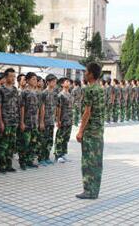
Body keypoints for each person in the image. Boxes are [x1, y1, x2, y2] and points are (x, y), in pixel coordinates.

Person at [76, 62, 104, 199]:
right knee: (97, 161)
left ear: (91, 74)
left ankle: (89, 190)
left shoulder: (89, 90)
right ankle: (95, 190)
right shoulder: (101, 89)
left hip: (90, 131)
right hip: (98, 131)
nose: (84, 74)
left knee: (88, 162)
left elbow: (87, 112)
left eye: (86, 72)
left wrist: (80, 131)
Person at [0, 68, 19, 173]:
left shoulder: (15, 90)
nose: (13, 78)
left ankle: (9, 164)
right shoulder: (1, 90)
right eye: (11, 76)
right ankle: (2, 165)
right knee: (3, 144)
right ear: (5, 77)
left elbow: (17, 105)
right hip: (5, 120)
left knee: (11, 144)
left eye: (14, 76)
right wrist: (0, 121)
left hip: (13, 120)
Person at [19, 72, 39, 170]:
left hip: (34, 122)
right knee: (25, 143)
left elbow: (38, 108)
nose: (35, 81)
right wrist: (22, 122)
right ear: (27, 80)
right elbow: (22, 107)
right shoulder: (24, 92)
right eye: (33, 79)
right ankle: (22, 161)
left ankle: (29, 160)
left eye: (36, 79)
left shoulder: (36, 92)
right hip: (26, 121)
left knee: (32, 142)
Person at [38, 74, 57, 166]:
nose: (54, 83)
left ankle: (47, 157)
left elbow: (56, 106)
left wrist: (56, 118)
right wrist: (41, 121)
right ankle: (41, 158)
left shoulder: (55, 93)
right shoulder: (44, 93)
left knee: (49, 140)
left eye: (55, 81)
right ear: (48, 82)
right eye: (53, 81)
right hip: (45, 120)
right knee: (43, 140)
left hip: (51, 120)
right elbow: (42, 108)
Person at [55, 78, 74, 163]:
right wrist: (58, 120)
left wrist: (72, 119)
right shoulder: (60, 95)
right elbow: (58, 108)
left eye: (69, 82)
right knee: (60, 137)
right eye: (66, 82)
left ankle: (63, 154)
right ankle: (58, 154)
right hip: (62, 119)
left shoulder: (70, 95)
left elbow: (71, 108)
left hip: (69, 119)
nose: (68, 83)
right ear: (62, 84)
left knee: (66, 138)